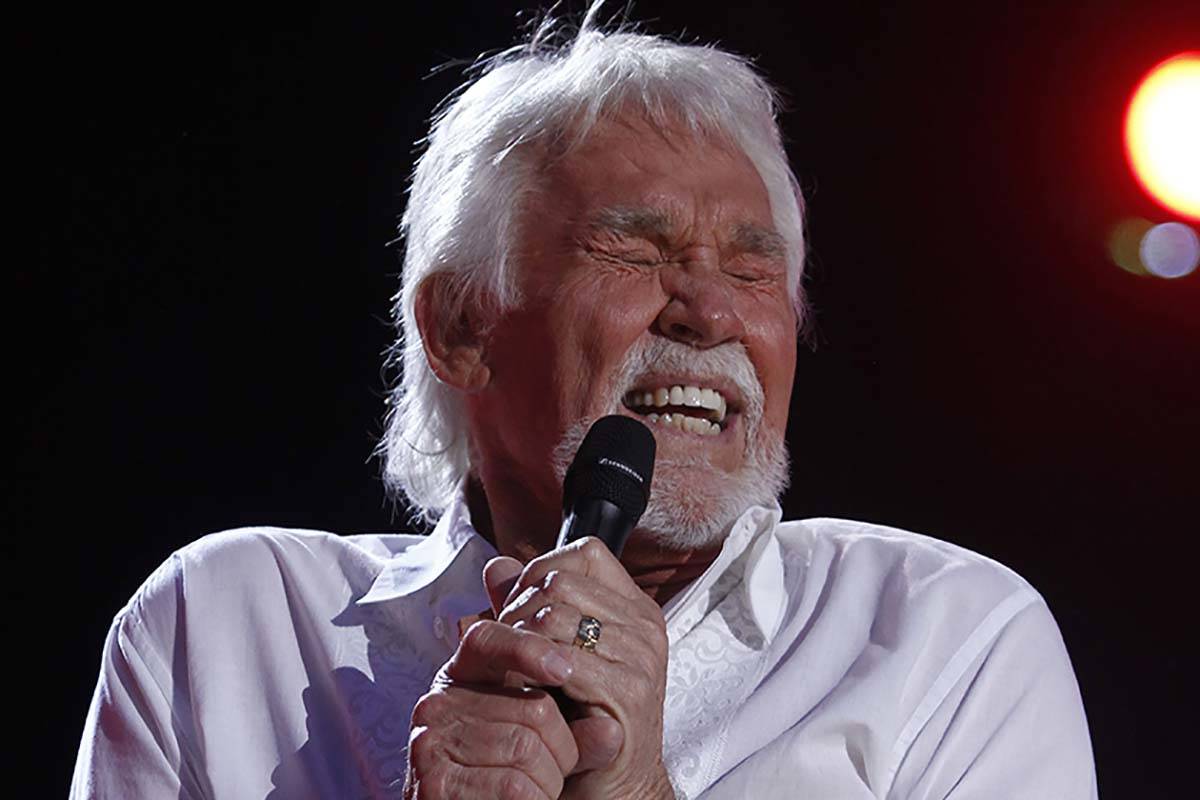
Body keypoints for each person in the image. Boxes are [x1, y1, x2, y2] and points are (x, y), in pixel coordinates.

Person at [70, 4, 1098, 798]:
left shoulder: (943, 638)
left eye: (753, 269)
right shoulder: (231, 628)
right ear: (462, 326)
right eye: (635, 252)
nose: (710, 310)